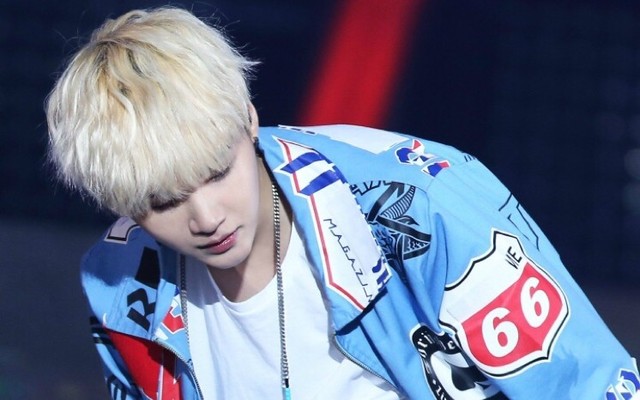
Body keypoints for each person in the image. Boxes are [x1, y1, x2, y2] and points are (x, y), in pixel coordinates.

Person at [46, 6, 639, 400]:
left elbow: (589, 385)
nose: (206, 217)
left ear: (248, 120)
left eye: (216, 172)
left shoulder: (422, 209)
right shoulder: (120, 286)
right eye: (161, 201)